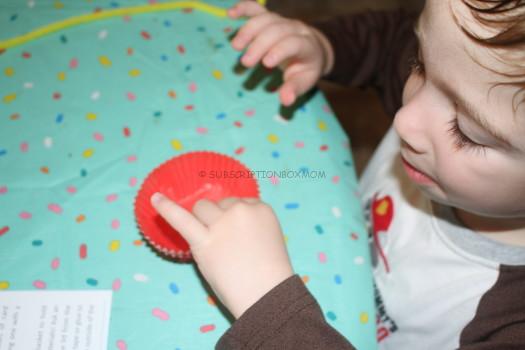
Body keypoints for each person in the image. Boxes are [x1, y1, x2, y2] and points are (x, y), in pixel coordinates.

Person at [150, 0, 525, 348]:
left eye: (466, 131)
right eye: (421, 65)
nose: (404, 121)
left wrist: (267, 304)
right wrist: (323, 46)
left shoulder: (511, 325)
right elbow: (392, 38)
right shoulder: (460, 82)